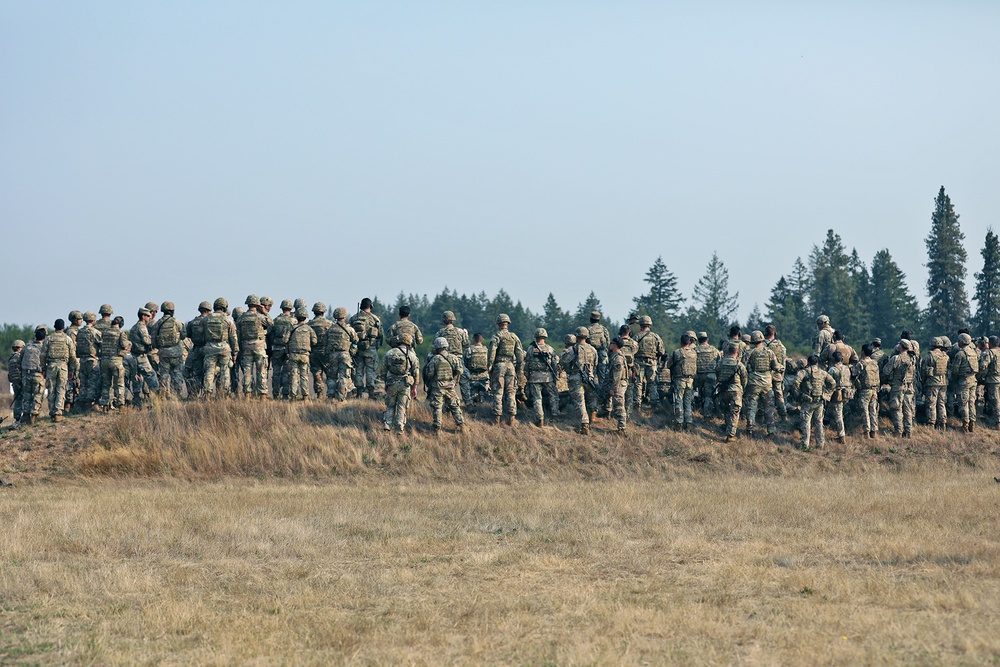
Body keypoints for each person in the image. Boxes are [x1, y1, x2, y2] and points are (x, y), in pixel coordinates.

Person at [742, 330, 780, 438]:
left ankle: (750, 428)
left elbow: (743, 367)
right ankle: (771, 431)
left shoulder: (749, 352)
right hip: (767, 383)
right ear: (762, 338)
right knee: (769, 407)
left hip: (753, 383)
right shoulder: (769, 352)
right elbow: (775, 366)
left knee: (752, 406)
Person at [792, 355, 835, 450]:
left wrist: (800, 394)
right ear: (817, 363)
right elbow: (833, 383)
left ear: (808, 362)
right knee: (819, 422)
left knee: (806, 422)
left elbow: (795, 382)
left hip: (807, 401)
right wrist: (826, 395)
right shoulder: (823, 373)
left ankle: (805, 444)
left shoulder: (804, 372)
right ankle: (820, 443)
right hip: (819, 401)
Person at [379, 332, 419, 433]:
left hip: (391, 383)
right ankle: (399, 428)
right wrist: (414, 387)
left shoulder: (390, 353)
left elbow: (383, 370)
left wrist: (385, 383)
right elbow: (416, 372)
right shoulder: (411, 355)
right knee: (402, 406)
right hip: (405, 384)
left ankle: (387, 425)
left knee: (390, 405)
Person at [488, 314, 523, 425]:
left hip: (499, 365)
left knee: (498, 392)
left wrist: (490, 365)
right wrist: (517, 368)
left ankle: (497, 420)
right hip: (510, 366)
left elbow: (492, 352)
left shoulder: (497, 336)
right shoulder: (514, 337)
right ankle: (511, 419)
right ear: (508, 324)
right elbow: (520, 355)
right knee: (511, 392)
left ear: (499, 324)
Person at [561, 328, 598, 434]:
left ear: (576, 337)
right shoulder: (593, 349)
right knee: (591, 397)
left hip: (576, 378)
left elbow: (564, 360)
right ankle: (592, 418)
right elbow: (595, 363)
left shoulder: (574, 349)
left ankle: (584, 425)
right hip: (589, 378)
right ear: (587, 337)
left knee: (579, 401)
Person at [423, 338, 465, 432]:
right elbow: (460, 371)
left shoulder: (435, 359)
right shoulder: (453, 357)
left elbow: (429, 374)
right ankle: (461, 425)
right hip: (450, 386)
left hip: (437, 387)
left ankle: (437, 428)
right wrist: (453, 381)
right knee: (454, 406)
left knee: (437, 407)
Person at [40, 318, 78, 422]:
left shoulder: (49, 339)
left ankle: (52, 412)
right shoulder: (67, 339)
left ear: (54, 326)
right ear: (63, 327)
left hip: (51, 366)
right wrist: (71, 369)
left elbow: (42, 355)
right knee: (61, 389)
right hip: (63, 366)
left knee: (51, 389)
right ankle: (58, 412)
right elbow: (73, 356)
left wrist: (43, 368)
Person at [523, 328, 560, 427]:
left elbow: (526, 365)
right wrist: (555, 376)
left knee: (537, 399)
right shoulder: (550, 349)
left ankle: (540, 420)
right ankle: (555, 416)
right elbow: (554, 364)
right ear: (545, 337)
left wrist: (527, 376)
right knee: (553, 396)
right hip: (548, 377)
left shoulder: (530, 349)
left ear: (535, 337)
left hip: (534, 377)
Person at [203, 298, 239, 397]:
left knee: (209, 372)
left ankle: (208, 395)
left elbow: (201, 334)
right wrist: (235, 352)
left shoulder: (206, 319)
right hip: (224, 348)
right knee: (225, 372)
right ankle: (225, 395)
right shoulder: (228, 319)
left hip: (210, 348)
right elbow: (233, 337)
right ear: (224, 307)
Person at [237, 295, 272, 398]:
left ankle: (247, 395)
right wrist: (264, 312)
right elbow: (271, 324)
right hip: (259, 347)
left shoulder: (241, 318)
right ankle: (262, 396)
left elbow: (238, 333)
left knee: (247, 372)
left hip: (246, 347)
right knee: (261, 371)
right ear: (257, 304)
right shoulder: (260, 317)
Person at [350, 298, 384, 399]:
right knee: (371, 371)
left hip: (358, 349)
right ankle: (371, 394)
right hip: (371, 349)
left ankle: (359, 393)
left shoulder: (354, 318)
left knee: (359, 371)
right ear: (370, 306)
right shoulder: (375, 319)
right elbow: (381, 335)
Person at [714, 343, 748, 442]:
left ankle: (727, 426)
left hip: (723, 390)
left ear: (728, 351)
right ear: (737, 352)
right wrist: (742, 388)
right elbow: (744, 378)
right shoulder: (739, 364)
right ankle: (730, 435)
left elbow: (717, 373)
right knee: (735, 412)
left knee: (726, 410)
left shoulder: (721, 362)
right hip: (736, 390)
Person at [323, 307, 359, 401]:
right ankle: (340, 397)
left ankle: (330, 396)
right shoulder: (349, 329)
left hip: (333, 355)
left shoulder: (330, 329)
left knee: (332, 376)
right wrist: (352, 352)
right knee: (344, 376)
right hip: (345, 354)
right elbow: (356, 341)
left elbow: (325, 342)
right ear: (345, 316)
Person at [883, 339, 917, 437]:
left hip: (898, 386)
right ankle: (908, 431)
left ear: (901, 347)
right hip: (909, 387)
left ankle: (898, 431)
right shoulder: (912, 359)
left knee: (896, 409)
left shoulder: (896, 358)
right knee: (908, 409)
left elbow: (886, 371)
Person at [435, 311, 470, 404]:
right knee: (464, 381)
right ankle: (468, 404)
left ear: (443, 321)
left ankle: (446, 406)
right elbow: (466, 345)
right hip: (458, 359)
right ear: (453, 320)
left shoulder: (440, 332)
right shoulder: (460, 331)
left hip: (444, 360)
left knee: (445, 383)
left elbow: (435, 348)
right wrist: (466, 334)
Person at [153, 302, 186, 398]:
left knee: (164, 374)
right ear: (173, 311)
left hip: (163, 353)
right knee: (177, 373)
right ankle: (177, 394)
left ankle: (163, 394)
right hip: (176, 352)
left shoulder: (157, 323)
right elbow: (184, 336)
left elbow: (154, 341)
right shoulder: (177, 322)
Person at [98, 316, 130, 411]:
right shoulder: (121, 333)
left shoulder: (105, 332)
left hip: (104, 361)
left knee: (106, 384)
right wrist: (129, 343)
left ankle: (104, 406)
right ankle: (120, 405)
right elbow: (124, 345)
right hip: (116, 361)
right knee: (119, 384)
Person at [129, 307, 160, 404]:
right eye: (147, 315)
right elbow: (146, 341)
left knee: (136, 378)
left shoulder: (134, 327)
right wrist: (153, 339)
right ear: (143, 316)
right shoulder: (142, 327)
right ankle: (157, 398)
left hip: (133, 356)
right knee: (150, 375)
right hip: (141, 356)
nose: (150, 317)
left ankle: (137, 398)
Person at [668, 333, 698, 431]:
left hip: (679, 379)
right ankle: (688, 422)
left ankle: (679, 422)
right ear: (690, 342)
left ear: (681, 342)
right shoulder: (694, 353)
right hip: (690, 380)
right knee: (688, 401)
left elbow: (669, 365)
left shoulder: (677, 352)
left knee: (678, 400)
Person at [286, 308, 317, 401]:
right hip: (304, 355)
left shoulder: (291, 328)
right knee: (304, 376)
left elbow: (285, 340)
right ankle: (305, 397)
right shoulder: (309, 329)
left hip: (293, 355)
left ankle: (293, 397)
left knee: (294, 375)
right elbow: (315, 341)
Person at [18, 327, 47, 425]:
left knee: (26, 396)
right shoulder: (43, 347)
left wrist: (21, 370)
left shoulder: (27, 346)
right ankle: (34, 416)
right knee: (37, 395)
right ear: (44, 337)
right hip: (37, 375)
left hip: (26, 374)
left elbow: (20, 358)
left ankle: (25, 416)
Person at [951, 332, 979, 433]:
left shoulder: (960, 354)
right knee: (972, 403)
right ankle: (972, 423)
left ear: (962, 342)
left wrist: (954, 379)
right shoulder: (973, 352)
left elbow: (955, 370)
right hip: (973, 380)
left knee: (963, 403)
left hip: (964, 381)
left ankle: (965, 425)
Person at [633, 316, 665, 405]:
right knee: (652, 384)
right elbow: (662, 351)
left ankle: (637, 403)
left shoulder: (636, 336)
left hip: (639, 363)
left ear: (640, 325)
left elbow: (632, 350)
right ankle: (655, 403)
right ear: (649, 325)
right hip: (652, 363)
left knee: (638, 384)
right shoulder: (656, 337)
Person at [852, 343, 881, 439]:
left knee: (865, 412)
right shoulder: (874, 363)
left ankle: (866, 432)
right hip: (874, 390)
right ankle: (874, 431)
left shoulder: (861, 363)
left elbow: (854, 373)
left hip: (865, 391)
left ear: (863, 352)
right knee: (873, 411)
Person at [268, 300, 296, 399]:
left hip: (276, 349)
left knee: (276, 372)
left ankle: (275, 394)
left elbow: (270, 335)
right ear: (291, 308)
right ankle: (285, 394)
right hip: (288, 350)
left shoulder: (276, 320)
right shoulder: (294, 321)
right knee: (287, 372)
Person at [921, 337, 950, 430]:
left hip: (932, 383)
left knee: (931, 403)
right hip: (943, 382)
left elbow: (923, 371)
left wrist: (923, 380)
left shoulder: (929, 356)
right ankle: (943, 423)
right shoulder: (945, 356)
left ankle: (931, 423)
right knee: (941, 403)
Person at [184, 302, 211, 398]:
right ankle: (207, 394)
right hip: (208, 348)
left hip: (196, 349)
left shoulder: (192, 322)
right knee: (209, 371)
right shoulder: (209, 321)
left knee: (196, 372)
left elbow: (187, 334)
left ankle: (194, 394)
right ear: (209, 310)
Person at [826, 350, 853, 442]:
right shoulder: (847, 368)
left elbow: (828, 382)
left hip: (838, 394)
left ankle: (842, 437)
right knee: (841, 412)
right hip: (848, 393)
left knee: (838, 415)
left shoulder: (832, 370)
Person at [605, 338, 630, 434]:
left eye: (612, 343)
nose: (610, 344)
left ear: (615, 345)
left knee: (619, 404)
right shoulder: (615, 356)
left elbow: (617, 376)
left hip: (619, 383)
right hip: (617, 382)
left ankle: (622, 428)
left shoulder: (618, 359)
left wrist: (613, 389)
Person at [307, 303, 332, 397]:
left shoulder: (309, 324)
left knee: (317, 373)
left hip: (313, 352)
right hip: (326, 352)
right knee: (330, 374)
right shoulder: (329, 324)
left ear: (314, 312)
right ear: (324, 312)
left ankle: (319, 394)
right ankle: (331, 393)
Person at [764, 325, 788, 419]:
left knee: (765, 395)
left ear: (765, 334)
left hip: (766, 374)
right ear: (775, 334)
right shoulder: (781, 346)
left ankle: (764, 415)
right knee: (779, 394)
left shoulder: (762, 345)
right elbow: (783, 362)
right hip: (778, 374)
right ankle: (783, 415)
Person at [693, 332, 720, 415]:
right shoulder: (714, 350)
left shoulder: (695, 350)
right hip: (710, 375)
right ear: (707, 339)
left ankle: (694, 411)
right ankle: (707, 415)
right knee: (709, 396)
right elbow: (719, 364)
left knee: (693, 393)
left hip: (698, 375)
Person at [463, 333, 490, 405]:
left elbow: (464, 363)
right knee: (484, 394)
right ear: (482, 340)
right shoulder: (486, 350)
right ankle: (483, 409)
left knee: (472, 395)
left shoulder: (469, 350)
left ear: (474, 340)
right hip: (484, 376)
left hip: (472, 376)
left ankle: (473, 410)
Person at [980, 336, 1000, 429]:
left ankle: (997, 423)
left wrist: (981, 376)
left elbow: (983, 366)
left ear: (990, 344)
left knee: (995, 401)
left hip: (993, 380)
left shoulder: (989, 353)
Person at [7, 340, 25, 424]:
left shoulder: (10, 358)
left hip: (14, 381)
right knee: (24, 398)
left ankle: (17, 417)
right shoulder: (19, 357)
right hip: (20, 380)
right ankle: (25, 416)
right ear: (20, 348)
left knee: (17, 398)